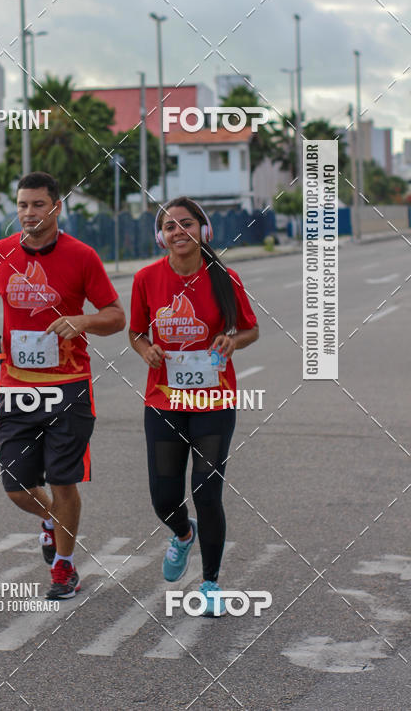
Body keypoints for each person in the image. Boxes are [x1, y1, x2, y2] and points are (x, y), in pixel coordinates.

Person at [0, 172, 125, 600]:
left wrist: (83, 321)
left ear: (56, 208)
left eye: (38, 205)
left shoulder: (82, 256)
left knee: (62, 481)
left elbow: (117, 316)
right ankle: (48, 520)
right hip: (15, 388)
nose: (29, 213)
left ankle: (63, 566)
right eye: (22, 205)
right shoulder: (0, 254)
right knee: (16, 486)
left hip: (69, 386)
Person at [129, 197, 259, 616]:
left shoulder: (225, 278)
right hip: (164, 402)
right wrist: (146, 349)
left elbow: (251, 329)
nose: (178, 232)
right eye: (169, 226)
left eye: (186, 224)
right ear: (160, 236)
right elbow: (135, 332)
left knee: (206, 490)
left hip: (213, 403)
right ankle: (183, 534)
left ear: (204, 231)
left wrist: (232, 340)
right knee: (164, 497)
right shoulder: (147, 279)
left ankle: (211, 583)